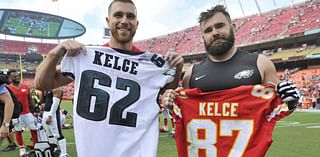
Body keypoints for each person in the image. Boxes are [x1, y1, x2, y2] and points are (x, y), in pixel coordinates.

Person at [34, 0, 183, 157]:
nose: (124, 21)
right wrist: (55, 53)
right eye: (118, 15)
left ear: (136, 23)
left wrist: (177, 68)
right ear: (108, 20)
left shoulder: (149, 64)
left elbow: (166, 91)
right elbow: (41, 83)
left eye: (130, 16)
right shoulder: (86, 57)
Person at [162, 5, 300, 157]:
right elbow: (182, 113)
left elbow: (278, 108)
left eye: (220, 26)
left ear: (232, 27)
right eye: (208, 30)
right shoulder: (191, 74)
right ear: (203, 37)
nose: (215, 33)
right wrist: (170, 100)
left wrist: (291, 101)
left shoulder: (260, 64)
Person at [7, 70, 38, 157]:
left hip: (27, 113)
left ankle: (36, 146)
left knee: (34, 129)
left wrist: (36, 108)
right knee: (18, 131)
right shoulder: (8, 88)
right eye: (14, 76)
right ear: (10, 78)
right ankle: (22, 149)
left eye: (17, 76)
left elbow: (30, 99)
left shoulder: (25, 86)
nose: (17, 77)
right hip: (16, 114)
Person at [42, 87, 69, 157]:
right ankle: (53, 151)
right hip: (46, 112)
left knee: (58, 134)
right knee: (49, 134)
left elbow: (55, 103)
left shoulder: (57, 88)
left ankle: (64, 154)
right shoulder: (49, 87)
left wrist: (50, 115)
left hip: (53, 113)